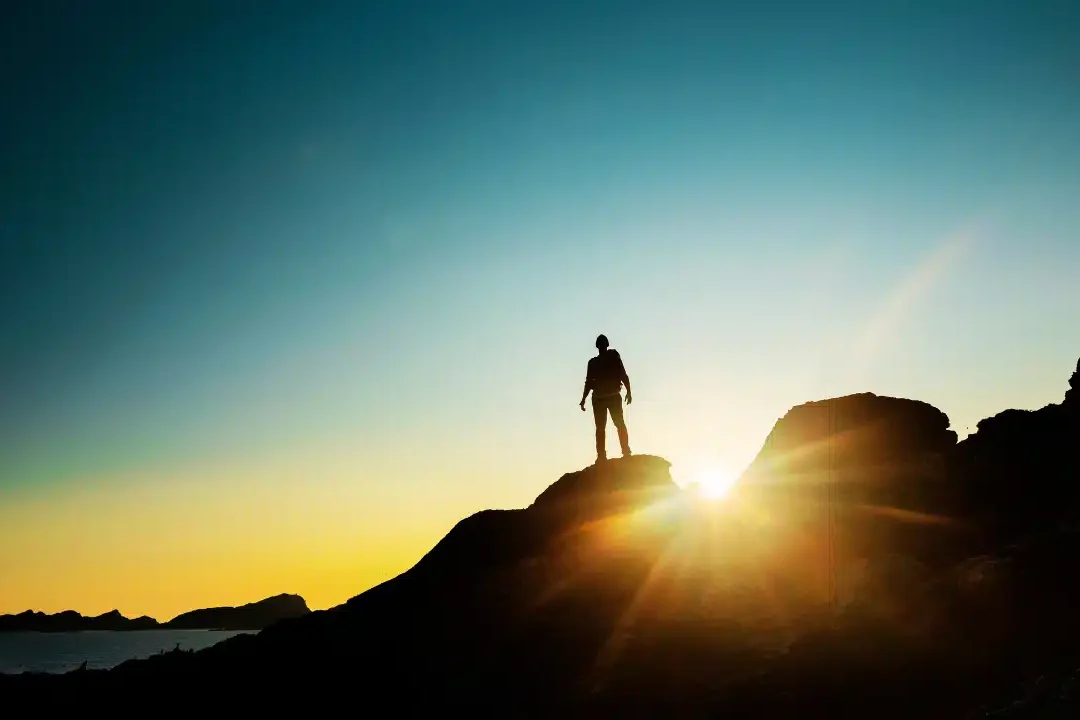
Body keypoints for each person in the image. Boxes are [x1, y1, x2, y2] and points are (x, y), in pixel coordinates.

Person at [579, 334, 632, 462]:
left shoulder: (613, 356)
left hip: (610, 397)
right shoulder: (594, 362)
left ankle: (623, 451)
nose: (602, 346)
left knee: (616, 424)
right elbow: (589, 382)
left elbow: (622, 374)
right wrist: (583, 398)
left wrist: (629, 391)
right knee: (603, 427)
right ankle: (604, 455)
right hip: (600, 398)